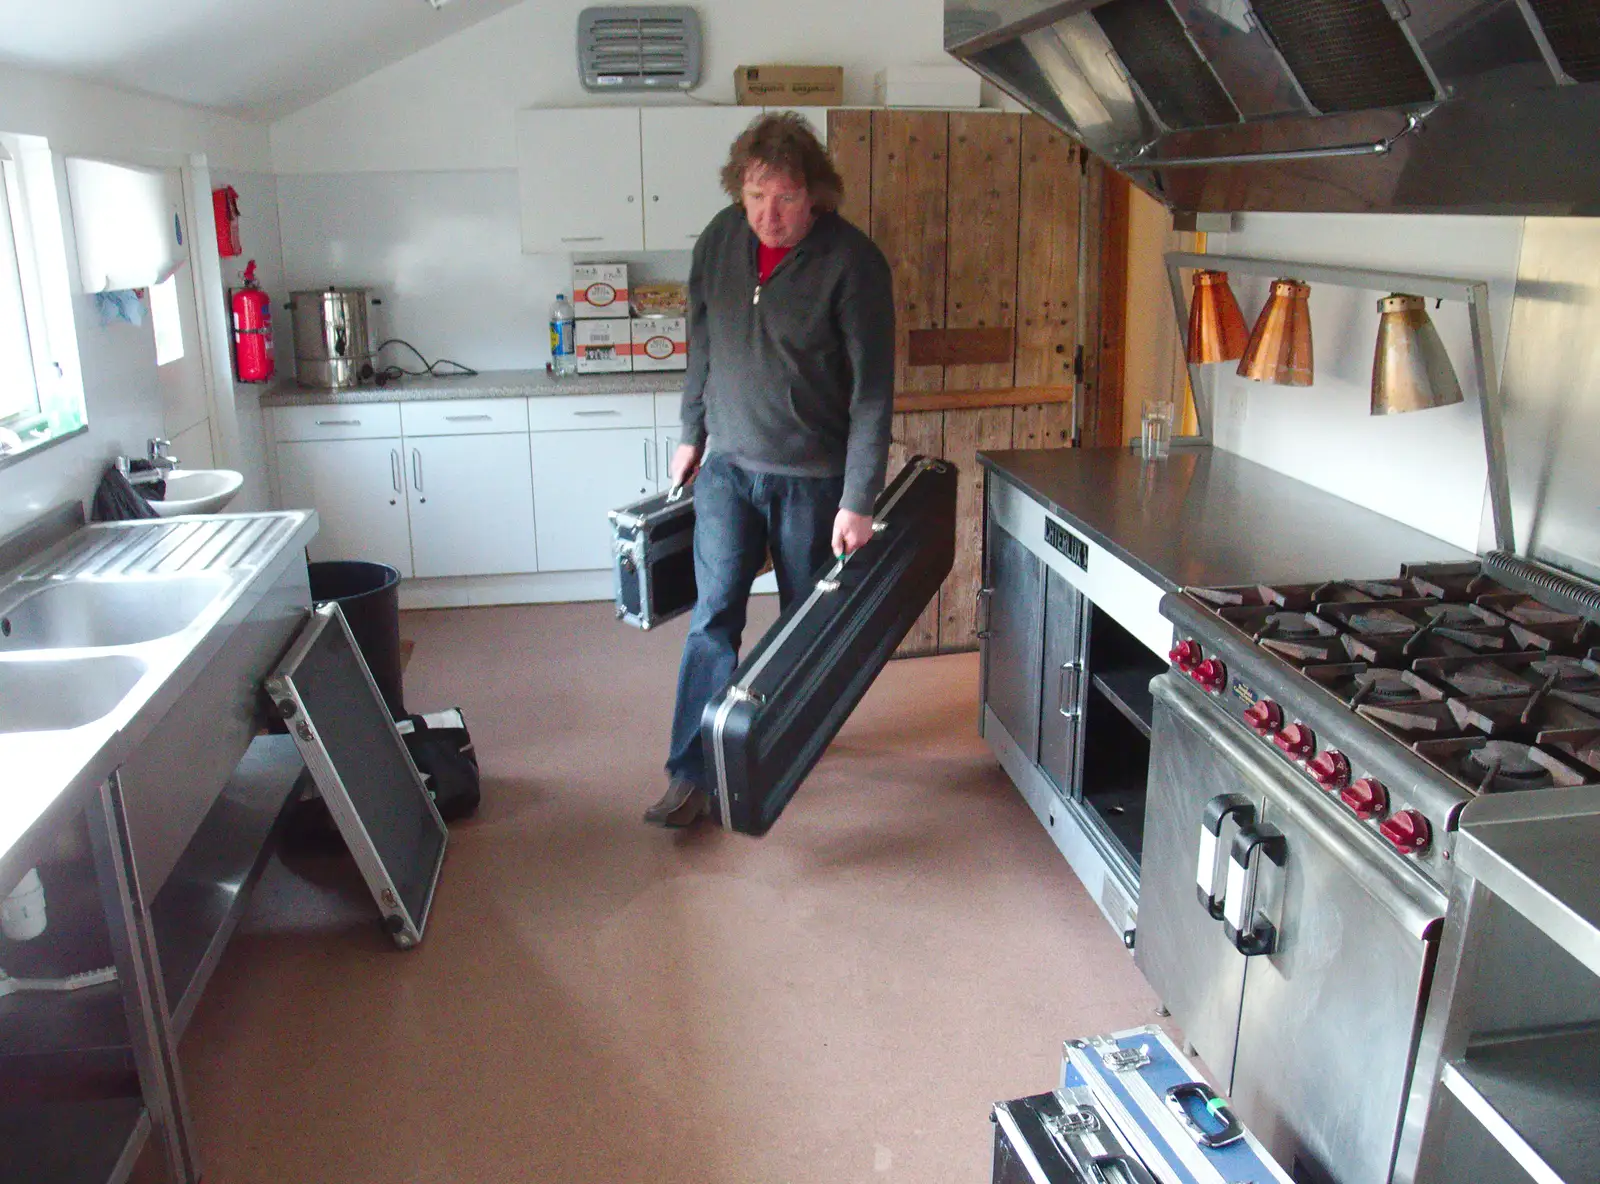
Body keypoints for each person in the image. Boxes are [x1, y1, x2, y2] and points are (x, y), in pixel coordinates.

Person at [643, 112, 895, 827]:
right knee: (713, 616)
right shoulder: (720, 241)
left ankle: (787, 745)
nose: (769, 214)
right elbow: (700, 343)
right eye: (755, 195)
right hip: (727, 467)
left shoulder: (852, 262)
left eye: (784, 196)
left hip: (813, 480)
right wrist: (690, 433)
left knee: (801, 623)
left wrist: (858, 498)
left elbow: (872, 388)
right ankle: (690, 774)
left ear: (815, 193)